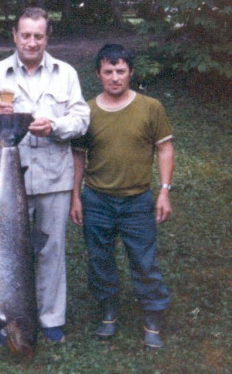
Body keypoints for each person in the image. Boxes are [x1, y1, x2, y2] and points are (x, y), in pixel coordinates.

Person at [0, 7, 90, 344]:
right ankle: (5, 315)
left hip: (54, 178)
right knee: (3, 251)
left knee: (50, 250)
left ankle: (50, 318)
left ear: (47, 37)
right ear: (15, 36)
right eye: (26, 35)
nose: (32, 42)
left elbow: (82, 118)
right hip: (6, 184)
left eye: (38, 36)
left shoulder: (66, 74)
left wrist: (55, 126)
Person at [70, 43, 174, 348]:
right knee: (100, 259)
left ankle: (153, 315)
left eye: (120, 71)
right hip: (96, 200)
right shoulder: (85, 111)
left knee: (143, 260)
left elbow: (164, 148)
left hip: (137, 200)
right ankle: (108, 310)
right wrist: (75, 196)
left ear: (130, 72)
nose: (114, 77)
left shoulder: (151, 107)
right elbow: (78, 156)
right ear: (98, 74)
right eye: (108, 71)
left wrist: (164, 191)